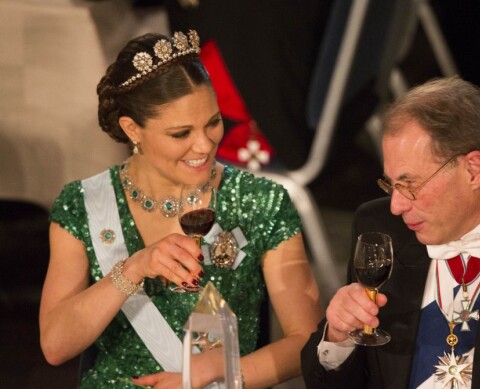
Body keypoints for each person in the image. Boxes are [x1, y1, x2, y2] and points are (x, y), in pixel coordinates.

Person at [39, 30, 322, 388]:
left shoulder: (262, 202)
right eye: (180, 134)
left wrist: (219, 374)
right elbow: (55, 345)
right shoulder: (84, 204)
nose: (204, 144)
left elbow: (308, 343)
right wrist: (135, 267)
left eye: (213, 123)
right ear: (132, 130)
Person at [301, 76, 480, 388]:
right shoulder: (379, 229)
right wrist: (339, 337)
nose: (395, 206)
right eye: (391, 184)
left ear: (473, 170)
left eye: (410, 185)